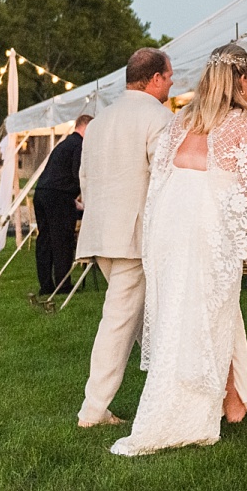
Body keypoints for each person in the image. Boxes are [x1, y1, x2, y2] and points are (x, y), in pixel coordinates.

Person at [110, 43, 247, 456]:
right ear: (244, 80)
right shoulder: (244, 123)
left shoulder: (182, 119)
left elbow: (164, 176)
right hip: (203, 228)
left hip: (168, 227)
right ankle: (198, 407)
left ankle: (235, 400)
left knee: (205, 310)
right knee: (209, 311)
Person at [74, 48, 175, 429]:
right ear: (153, 79)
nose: (171, 83)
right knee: (118, 324)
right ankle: (93, 410)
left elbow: (85, 180)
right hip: (134, 237)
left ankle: (170, 390)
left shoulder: (99, 122)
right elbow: (164, 180)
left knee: (140, 324)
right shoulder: (160, 118)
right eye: (168, 77)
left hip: (101, 232)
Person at [33, 113, 91, 296]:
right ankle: (63, 285)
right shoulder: (79, 145)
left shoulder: (63, 144)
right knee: (62, 240)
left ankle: (46, 285)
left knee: (45, 240)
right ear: (86, 127)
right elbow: (77, 174)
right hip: (59, 197)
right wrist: (85, 197)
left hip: (42, 192)